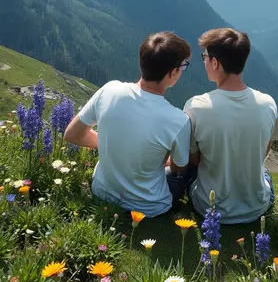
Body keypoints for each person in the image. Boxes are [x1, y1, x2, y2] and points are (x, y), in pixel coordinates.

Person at [64, 31, 191, 217]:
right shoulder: (178, 120)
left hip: (102, 192)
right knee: (189, 169)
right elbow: (178, 168)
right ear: (172, 73)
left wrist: (114, 145)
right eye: (183, 66)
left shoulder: (109, 90)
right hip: (149, 207)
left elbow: (72, 134)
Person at [184, 28, 278, 224]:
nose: (204, 62)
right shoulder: (268, 103)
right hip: (257, 206)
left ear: (215, 63)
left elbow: (193, 159)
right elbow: (264, 151)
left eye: (205, 57)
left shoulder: (196, 106)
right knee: (264, 172)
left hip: (208, 208)